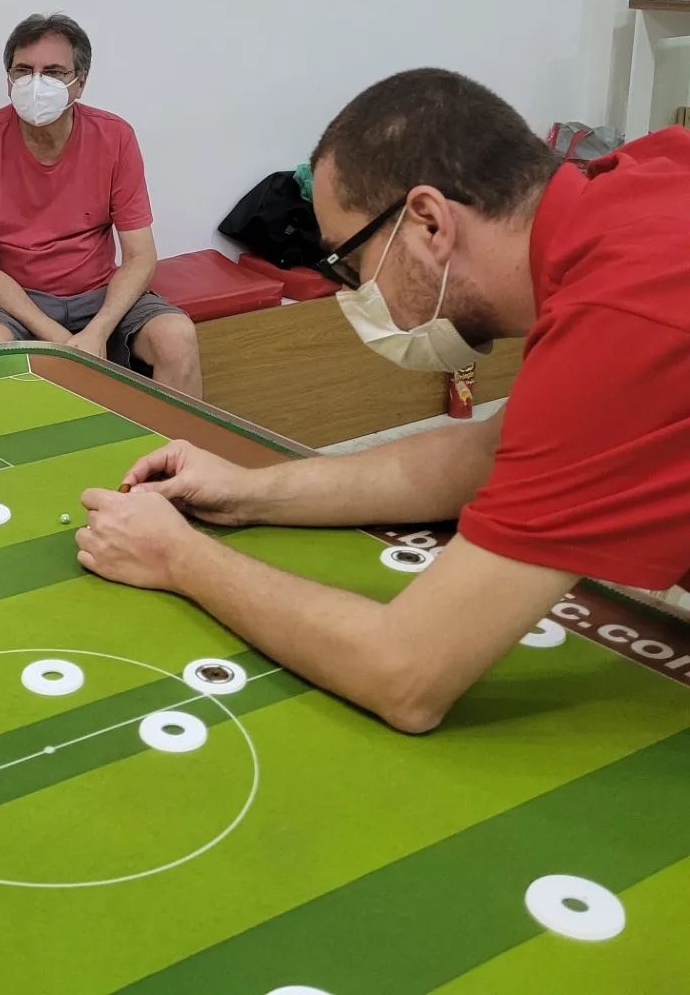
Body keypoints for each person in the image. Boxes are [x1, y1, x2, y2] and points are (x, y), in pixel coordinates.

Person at [76, 68, 690, 732]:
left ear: (428, 223)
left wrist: (178, 556)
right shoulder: (645, 183)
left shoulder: (624, 315)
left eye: (349, 262)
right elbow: (485, 456)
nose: (352, 292)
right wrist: (247, 490)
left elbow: (405, 673)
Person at [0, 13, 202, 397]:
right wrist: (61, 341)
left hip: (98, 295)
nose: (36, 83)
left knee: (176, 336)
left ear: (79, 83)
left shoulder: (115, 136)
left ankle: (172, 440)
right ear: (8, 80)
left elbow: (140, 256)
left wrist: (98, 330)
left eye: (52, 72)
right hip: (16, 301)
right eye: (23, 70)